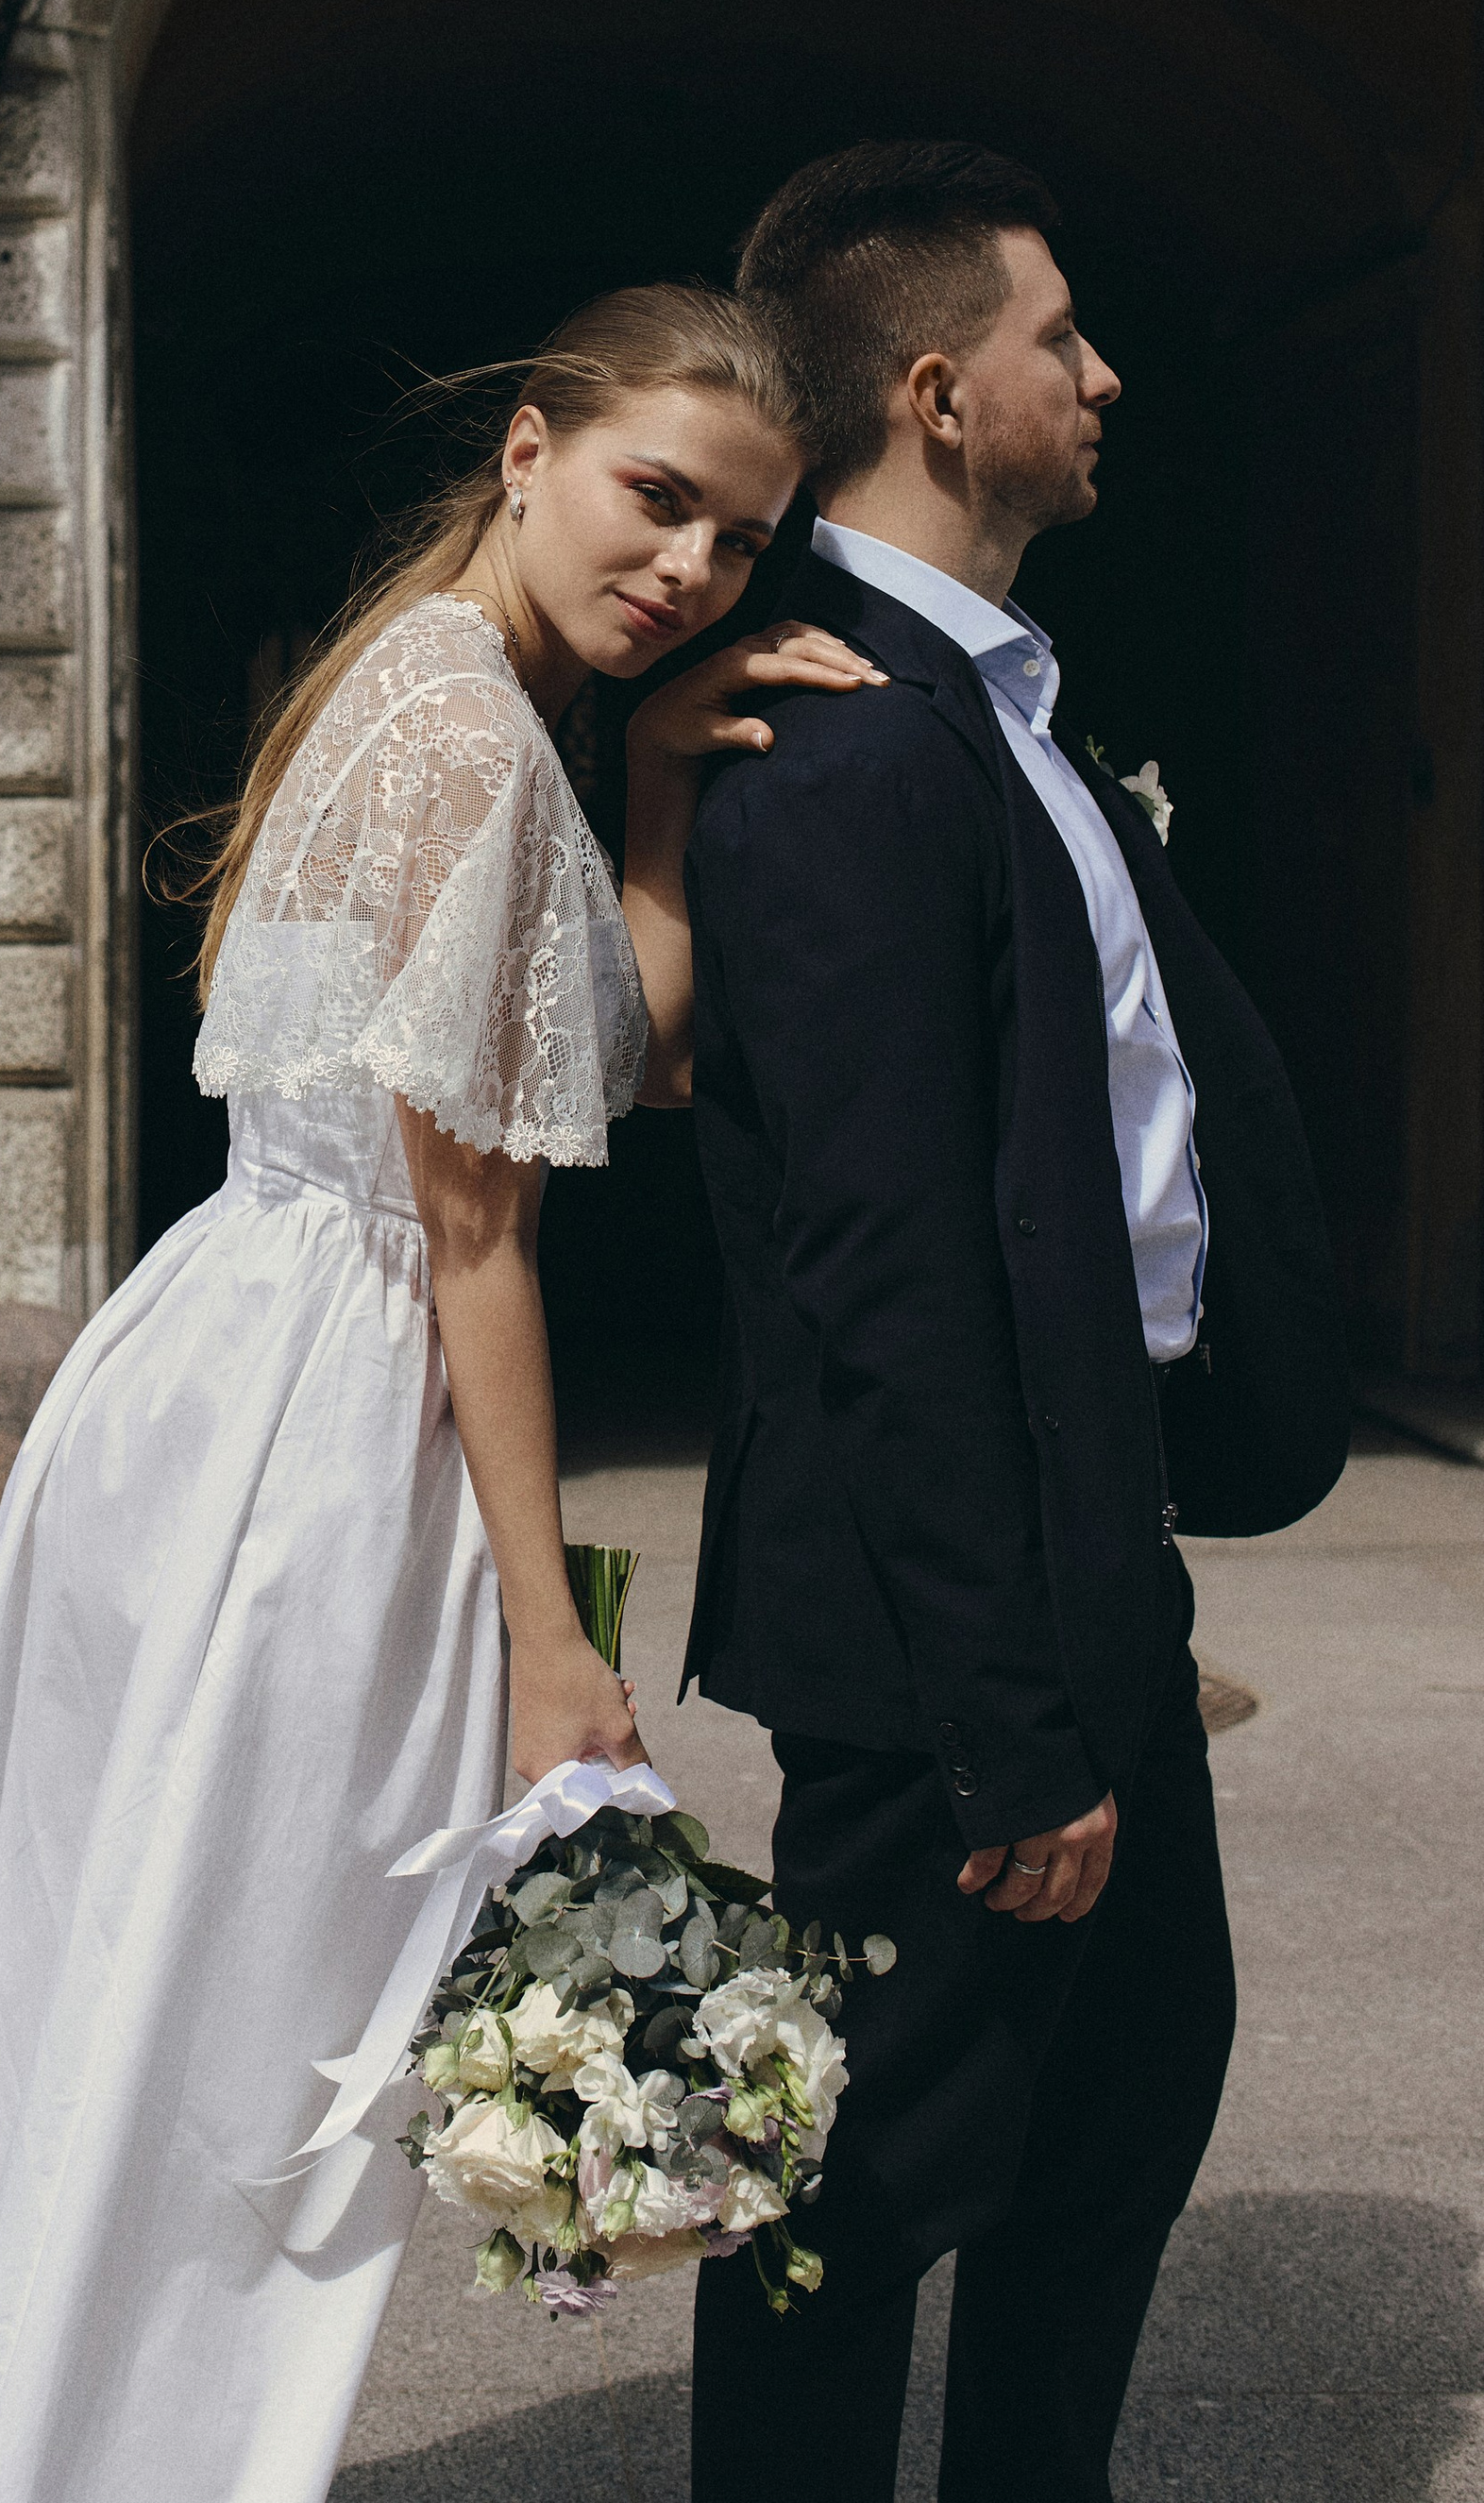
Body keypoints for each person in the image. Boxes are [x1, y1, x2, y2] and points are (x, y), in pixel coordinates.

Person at [0, 284, 878, 2503]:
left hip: (227, 1373)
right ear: (526, 446)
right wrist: (547, 1637)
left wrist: (662, 786)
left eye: (736, 544)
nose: (685, 568)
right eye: (652, 497)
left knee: (129, 2008)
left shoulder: (426, 691)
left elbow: (618, 1062)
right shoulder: (466, 733)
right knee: (242, 2056)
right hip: (307, 1422)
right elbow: (474, 1226)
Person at [681, 141, 1349, 2503]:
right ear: (941, 395)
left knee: (1114, 2113)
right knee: (853, 2195)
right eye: (1060, 336)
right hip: (932, 1628)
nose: (1104, 372)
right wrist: (1008, 1724)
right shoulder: (847, 753)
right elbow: (886, 1269)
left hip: (1082, 1558)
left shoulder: (990, 715)